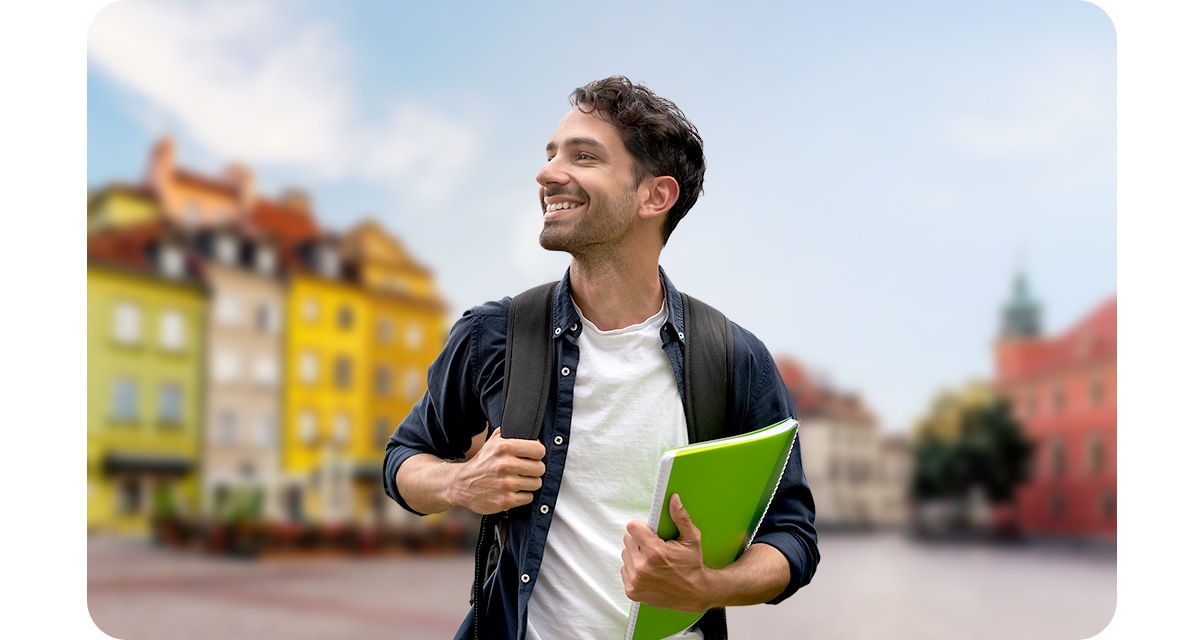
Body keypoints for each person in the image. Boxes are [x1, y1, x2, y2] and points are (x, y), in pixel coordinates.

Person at [383, 75, 819, 640]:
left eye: (583, 156)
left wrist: (709, 586)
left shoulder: (737, 358)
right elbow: (404, 458)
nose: (547, 174)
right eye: (550, 155)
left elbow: (793, 537)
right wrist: (460, 483)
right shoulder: (494, 335)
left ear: (654, 196)